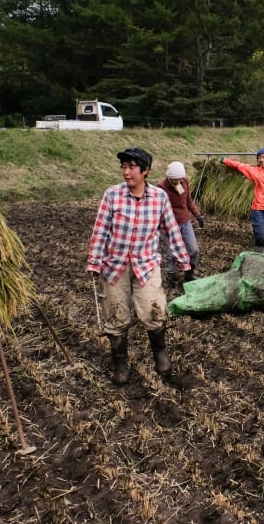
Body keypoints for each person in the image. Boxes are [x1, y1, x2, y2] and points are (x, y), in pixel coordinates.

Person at [86, 147, 191, 385]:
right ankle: (120, 363)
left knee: (153, 311)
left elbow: (171, 230)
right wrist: (94, 260)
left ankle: (160, 353)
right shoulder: (112, 195)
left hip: (146, 265)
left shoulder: (159, 198)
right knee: (116, 316)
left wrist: (182, 260)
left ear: (145, 171)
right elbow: (101, 229)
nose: (126, 172)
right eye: (124, 167)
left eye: (132, 167)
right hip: (115, 266)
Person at [220, 122, 264, 253]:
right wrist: (226, 160)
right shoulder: (255, 171)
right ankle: (257, 263)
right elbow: (240, 166)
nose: (262, 160)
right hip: (259, 210)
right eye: (259, 158)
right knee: (261, 238)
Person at [155, 160, 204, 294]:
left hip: (185, 221)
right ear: (169, 178)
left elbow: (188, 201)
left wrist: (198, 215)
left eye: (179, 179)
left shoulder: (185, 182)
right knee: (171, 254)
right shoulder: (161, 188)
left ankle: (189, 275)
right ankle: (172, 279)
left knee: (193, 250)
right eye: (174, 180)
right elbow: (157, 210)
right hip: (168, 225)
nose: (177, 182)